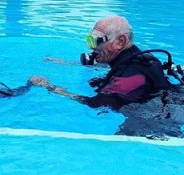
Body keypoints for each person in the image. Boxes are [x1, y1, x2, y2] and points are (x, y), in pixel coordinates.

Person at [31, 16, 169, 108]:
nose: (91, 47)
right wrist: (67, 63)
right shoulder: (139, 56)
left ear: (120, 41)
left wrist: (51, 87)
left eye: (96, 41)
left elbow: (95, 104)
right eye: (89, 40)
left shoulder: (129, 76)